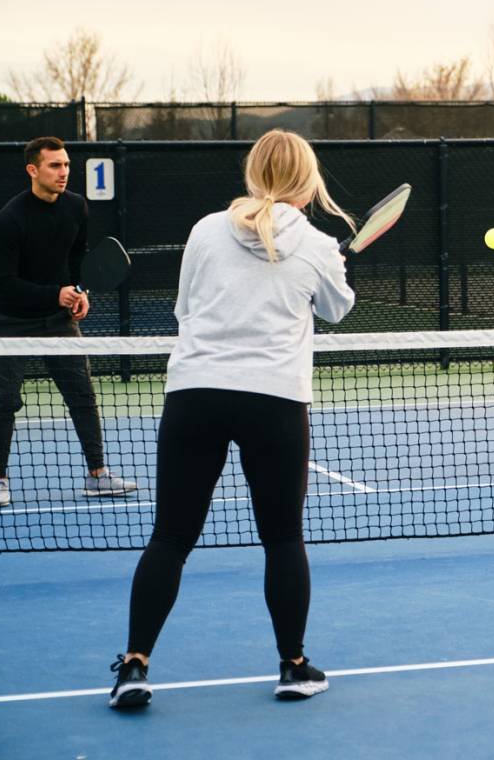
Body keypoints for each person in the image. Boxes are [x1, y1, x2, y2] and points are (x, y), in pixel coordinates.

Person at [109, 130, 355, 708]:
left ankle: (134, 666)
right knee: (283, 538)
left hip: (195, 394)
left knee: (169, 537)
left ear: (253, 172)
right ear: (307, 179)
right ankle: (294, 667)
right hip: (275, 400)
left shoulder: (204, 230)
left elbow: (185, 309)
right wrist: (335, 266)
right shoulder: (317, 243)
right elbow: (338, 310)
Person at [0, 136, 137, 507]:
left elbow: (76, 259)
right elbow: (6, 285)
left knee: (83, 396)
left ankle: (97, 475)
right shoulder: (10, 219)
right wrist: (55, 293)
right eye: (55, 165)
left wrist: (80, 292)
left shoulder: (76, 208)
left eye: (66, 164)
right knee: (6, 401)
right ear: (33, 170)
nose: (64, 172)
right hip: (12, 321)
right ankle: (0, 480)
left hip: (59, 321)